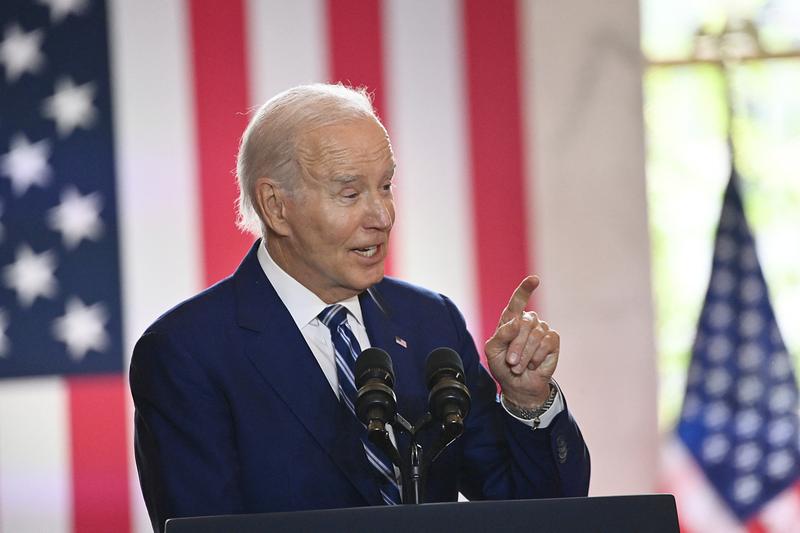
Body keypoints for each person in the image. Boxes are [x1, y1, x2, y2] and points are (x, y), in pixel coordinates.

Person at [130, 84, 590, 532]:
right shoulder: (185, 353)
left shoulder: (430, 322)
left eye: (386, 186)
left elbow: (537, 514)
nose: (383, 216)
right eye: (350, 194)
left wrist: (528, 400)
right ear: (276, 207)